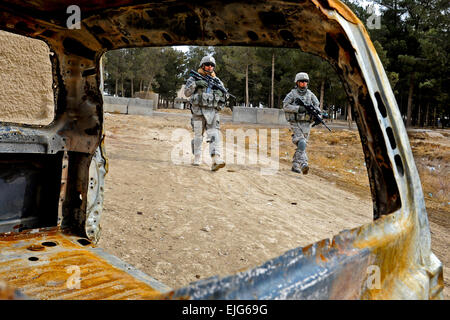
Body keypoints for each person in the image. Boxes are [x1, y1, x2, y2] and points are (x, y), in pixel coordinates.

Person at [184, 55, 226, 171]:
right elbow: (186, 93)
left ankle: (215, 159)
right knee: (198, 136)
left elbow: (225, 96)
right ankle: (197, 157)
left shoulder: (217, 81)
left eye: (212, 65)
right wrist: (196, 84)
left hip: (212, 112)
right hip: (198, 112)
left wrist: (221, 94)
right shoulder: (194, 78)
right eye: (207, 65)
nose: (209, 67)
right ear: (202, 65)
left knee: (214, 135)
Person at [283, 72, 321, 174]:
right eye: (301, 82)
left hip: (306, 123)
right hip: (295, 123)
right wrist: (299, 108)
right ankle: (304, 163)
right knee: (302, 142)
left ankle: (295, 165)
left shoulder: (310, 95)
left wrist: (317, 114)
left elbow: (317, 106)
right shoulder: (292, 94)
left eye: (305, 82)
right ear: (297, 83)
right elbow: (285, 106)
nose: (303, 84)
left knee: (302, 145)